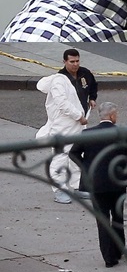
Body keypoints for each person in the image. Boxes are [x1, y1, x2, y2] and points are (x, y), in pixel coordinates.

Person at [69, 102, 127, 268]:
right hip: (118, 182)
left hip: (96, 183)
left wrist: (86, 168)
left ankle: (108, 257)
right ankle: (118, 249)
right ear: (112, 116)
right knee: (118, 216)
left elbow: (73, 153)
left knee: (103, 220)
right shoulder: (123, 133)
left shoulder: (88, 134)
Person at [37, 48, 98, 203]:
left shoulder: (84, 73)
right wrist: (79, 116)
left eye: (77, 61)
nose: (75, 64)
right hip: (63, 124)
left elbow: (92, 85)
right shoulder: (59, 80)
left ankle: (78, 186)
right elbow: (62, 103)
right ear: (64, 62)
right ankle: (59, 189)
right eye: (72, 61)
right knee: (60, 155)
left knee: (76, 154)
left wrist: (92, 98)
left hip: (79, 123)